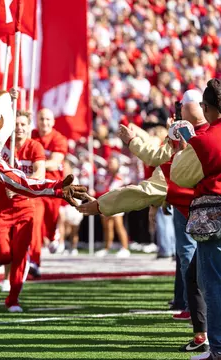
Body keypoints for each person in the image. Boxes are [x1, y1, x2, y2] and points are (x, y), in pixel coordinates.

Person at [78, 89, 211, 354]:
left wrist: (100, 205)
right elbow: (157, 165)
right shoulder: (194, 137)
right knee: (196, 274)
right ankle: (203, 336)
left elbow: (151, 186)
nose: (176, 113)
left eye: (183, 107)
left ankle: (209, 340)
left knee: (201, 274)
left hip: (208, 217)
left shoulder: (196, 147)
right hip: (201, 217)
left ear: (204, 107)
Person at [170, 79, 221, 360]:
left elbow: (180, 176)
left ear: (206, 107)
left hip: (213, 215)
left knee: (212, 283)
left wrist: (185, 143)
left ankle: (218, 348)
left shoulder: (204, 140)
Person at [0, 110, 45, 312]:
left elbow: (40, 171)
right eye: (16, 124)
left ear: (29, 127)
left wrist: (20, 185)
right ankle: (3, 261)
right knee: (2, 254)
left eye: (23, 124)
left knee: (20, 255)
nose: (20, 128)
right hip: (1, 207)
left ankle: (13, 299)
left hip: (25, 206)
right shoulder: (2, 144)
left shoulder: (35, 147)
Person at [30, 108, 68, 275]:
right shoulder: (30, 135)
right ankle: (34, 261)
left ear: (52, 122)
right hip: (36, 188)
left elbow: (54, 162)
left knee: (49, 222)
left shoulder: (59, 138)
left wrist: (36, 164)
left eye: (47, 119)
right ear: (37, 121)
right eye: (41, 119)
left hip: (52, 188)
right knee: (35, 224)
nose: (44, 122)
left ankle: (53, 235)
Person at [93, 155, 130, 258]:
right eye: (109, 163)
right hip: (107, 203)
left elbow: (115, 189)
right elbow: (103, 188)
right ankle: (107, 248)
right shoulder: (106, 176)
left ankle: (125, 248)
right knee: (107, 227)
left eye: (113, 163)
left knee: (118, 225)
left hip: (117, 203)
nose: (110, 165)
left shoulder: (120, 175)